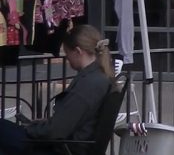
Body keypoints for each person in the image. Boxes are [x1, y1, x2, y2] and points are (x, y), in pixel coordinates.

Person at [0, 25, 116, 155]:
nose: (67, 59)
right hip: (63, 144)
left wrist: (31, 128)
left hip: (56, 148)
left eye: (67, 54)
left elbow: (56, 131)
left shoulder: (90, 83)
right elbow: (67, 121)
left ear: (78, 51)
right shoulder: (98, 78)